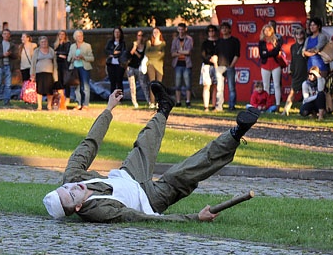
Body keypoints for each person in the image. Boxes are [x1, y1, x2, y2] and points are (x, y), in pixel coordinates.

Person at [42, 82, 260, 223]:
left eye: (66, 187)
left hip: (128, 176)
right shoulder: (99, 211)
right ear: (78, 207)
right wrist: (194, 218)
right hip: (148, 198)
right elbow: (140, 217)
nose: (73, 187)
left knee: (144, 142)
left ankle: (164, 108)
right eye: (71, 194)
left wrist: (108, 109)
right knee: (184, 173)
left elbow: (89, 144)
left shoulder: (72, 177)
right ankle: (235, 133)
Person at [257, 23, 284, 110]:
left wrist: (267, 53)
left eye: (269, 30)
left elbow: (276, 52)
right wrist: (269, 53)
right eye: (265, 30)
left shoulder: (276, 40)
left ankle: (278, 104)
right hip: (265, 65)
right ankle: (266, 104)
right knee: (266, 86)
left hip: (275, 64)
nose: (267, 32)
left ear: (272, 31)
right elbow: (262, 54)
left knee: (276, 85)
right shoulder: (261, 42)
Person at [215, 21, 241, 111]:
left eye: (226, 28)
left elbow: (237, 55)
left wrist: (231, 65)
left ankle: (231, 105)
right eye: (222, 28)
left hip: (230, 67)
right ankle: (219, 106)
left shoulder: (235, 41)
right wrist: (216, 65)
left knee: (231, 87)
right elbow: (215, 54)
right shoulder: (218, 41)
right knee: (219, 88)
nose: (224, 30)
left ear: (229, 29)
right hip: (220, 67)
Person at [283, 25, 308, 115]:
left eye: (301, 33)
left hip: (305, 70)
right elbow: (292, 59)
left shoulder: (307, 44)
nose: (299, 35)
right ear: (295, 35)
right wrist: (291, 69)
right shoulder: (293, 46)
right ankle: (286, 110)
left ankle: (305, 110)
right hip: (296, 71)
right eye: (297, 33)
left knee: (306, 93)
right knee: (292, 91)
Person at [0, 28, 18, 108]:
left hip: (9, 66)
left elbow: (16, 56)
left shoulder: (12, 45)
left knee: (8, 85)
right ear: (2, 35)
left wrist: (10, 54)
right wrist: (3, 55)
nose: (6, 35)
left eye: (7, 34)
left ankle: (7, 101)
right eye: (4, 34)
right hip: (0, 66)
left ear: (10, 35)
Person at [66, 30, 94, 110]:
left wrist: (83, 57)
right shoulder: (72, 46)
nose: (80, 37)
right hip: (75, 68)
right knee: (77, 87)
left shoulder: (87, 46)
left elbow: (92, 58)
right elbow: (68, 58)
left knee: (85, 86)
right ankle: (78, 103)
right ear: (75, 37)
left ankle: (85, 104)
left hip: (84, 68)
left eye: (81, 35)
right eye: (78, 36)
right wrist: (73, 58)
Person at [30, 35, 57, 111]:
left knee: (49, 90)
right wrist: (32, 74)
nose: (44, 43)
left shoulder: (51, 50)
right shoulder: (36, 51)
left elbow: (55, 63)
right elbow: (33, 63)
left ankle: (49, 105)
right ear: (39, 43)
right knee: (39, 90)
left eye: (45, 41)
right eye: (42, 42)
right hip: (39, 72)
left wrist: (55, 75)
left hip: (49, 72)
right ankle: (39, 106)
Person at [171, 22, 193, 107]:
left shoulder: (189, 39)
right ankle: (178, 101)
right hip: (177, 64)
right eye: (179, 29)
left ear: (185, 29)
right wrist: (182, 52)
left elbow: (188, 52)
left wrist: (178, 52)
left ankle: (188, 101)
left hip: (186, 64)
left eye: (182, 29)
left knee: (188, 84)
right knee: (177, 84)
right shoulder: (175, 40)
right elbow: (172, 53)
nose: (181, 31)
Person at [125, 30, 149, 108]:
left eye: (141, 35)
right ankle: (134, 102)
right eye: (138, 35)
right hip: (131, 67)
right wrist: (135, 47)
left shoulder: (145, 46)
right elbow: (130, 54)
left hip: (140, 68)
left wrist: (136, 52)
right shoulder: (133, 44)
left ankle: (149, 101)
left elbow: (141, 57)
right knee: (132, 86)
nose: (140, 37)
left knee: (144, 84)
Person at [145, 27, 167, 109]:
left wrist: (154, 54)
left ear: (160, 33)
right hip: (150, 64)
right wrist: (156, 53)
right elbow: (147, 54)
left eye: (157, 32)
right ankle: (152, 102)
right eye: (154, 32)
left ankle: (159, 101)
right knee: (152, 83)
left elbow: (162, 55)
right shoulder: (149, 43)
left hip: (159, 65)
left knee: (159, 84)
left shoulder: (163, 43)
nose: (156, 34)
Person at [200, 24, 219, 111]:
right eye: (210, 31)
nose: (211, 33)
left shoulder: (219, 42)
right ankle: (206, 106)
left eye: (213, 31)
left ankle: (214, 105)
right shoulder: (205, 43)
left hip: (216, 66)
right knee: (206, 85)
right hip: (207, 66)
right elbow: (203, 55)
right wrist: (210, 59)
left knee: (215, 86)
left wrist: (216, 60)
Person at [104, 27, 127, 95]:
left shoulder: (122, 43)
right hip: (111, 64)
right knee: (112, 81)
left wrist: (117, 53)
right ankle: (112, 97)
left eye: (118, 32)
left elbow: (124, 52)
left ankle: (120, 97)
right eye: (115, 32)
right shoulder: (110, 42)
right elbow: (106, 50)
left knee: (119, 81)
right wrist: (113, 53)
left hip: (120, 64)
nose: (117, 34)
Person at [53, 29, 72, 109]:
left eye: (63, 34)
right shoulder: (56, 44)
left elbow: (66, 54)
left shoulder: (68, 44)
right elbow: (54, 54)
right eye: (60, 34)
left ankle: (67, 98)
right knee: (58, 81)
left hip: (65, 65)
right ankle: (60, 98)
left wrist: (58, 54)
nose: (61, 36)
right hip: (57, 65)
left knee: (66, 81)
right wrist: (59, 55)